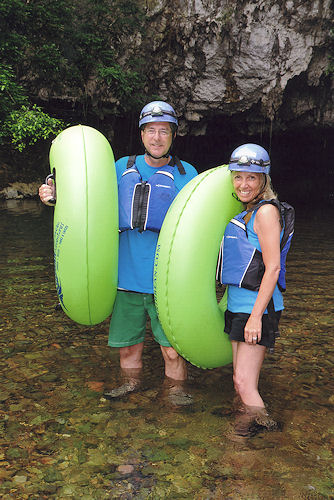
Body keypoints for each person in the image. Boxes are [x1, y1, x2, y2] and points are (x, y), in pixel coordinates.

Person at [39, 101, 198, 401]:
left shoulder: (186, 173)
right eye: (151, 131)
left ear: (173, 136)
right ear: (141, 135)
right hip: (125, 279)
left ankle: (176, 396)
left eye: (164, 131)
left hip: (165, 282)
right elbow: (82, 194)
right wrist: (53, 193)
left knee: (172, 351)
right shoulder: (119, 168)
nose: (157, 138)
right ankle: (131, 388)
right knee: (128, 347)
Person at [218, 143, 294, 434]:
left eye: (251, 177)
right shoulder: (246, 213)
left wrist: (255, 317)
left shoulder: (264, 213)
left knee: (244, 383)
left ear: (264, 179)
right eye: (238, 176)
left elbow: (272, 267)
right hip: (240, 305)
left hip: (256, 309)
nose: (244, 183)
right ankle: (246, 431)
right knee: (238, 380)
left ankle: (267, 433)